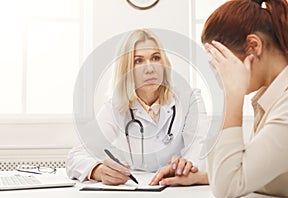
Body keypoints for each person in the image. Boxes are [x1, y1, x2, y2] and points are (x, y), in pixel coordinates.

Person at [66, 29, 209, 186]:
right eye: (138, 61)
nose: (149, 68)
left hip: (180, 190)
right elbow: (75, 156)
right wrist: (98, 171)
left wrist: (185, 166)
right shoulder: (116, 107)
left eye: (155, 58)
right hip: (137, 190)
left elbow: (200, 149)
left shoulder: (189, 98)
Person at [200, 0, 288, 198]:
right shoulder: (274, 96)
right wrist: (205, 176)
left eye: (221, 62)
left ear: (253, 46)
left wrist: (232, 95)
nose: (219, 74)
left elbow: (229, 187)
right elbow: (264, 171)